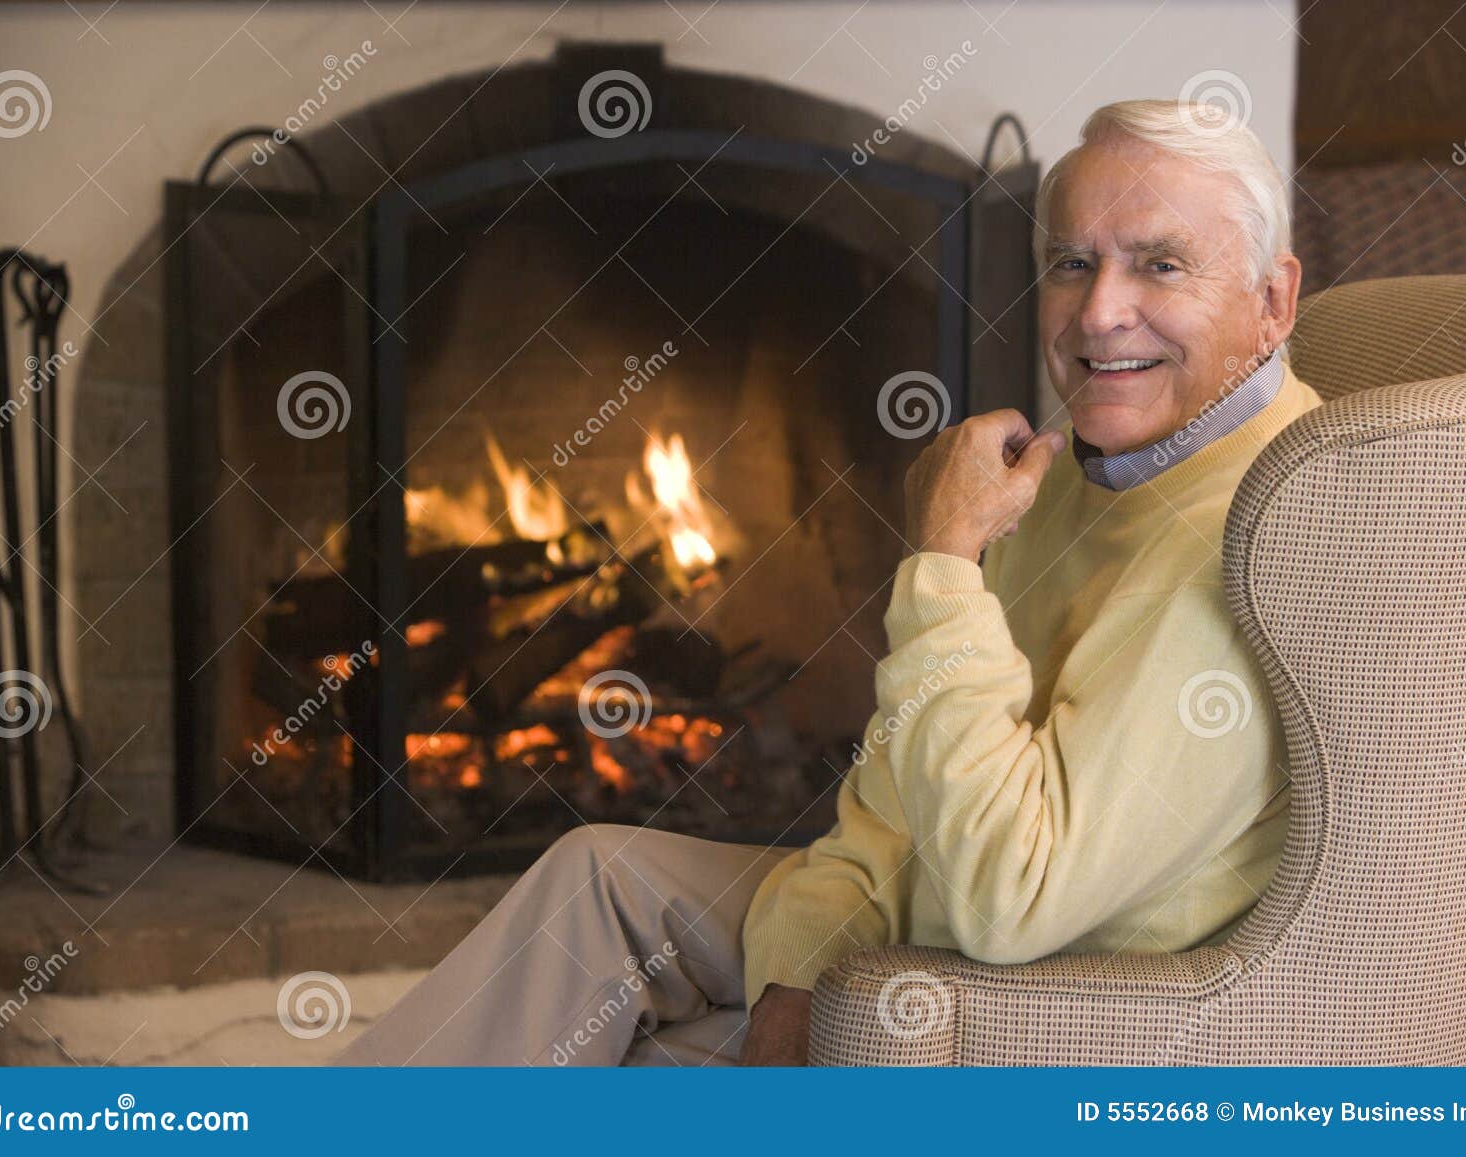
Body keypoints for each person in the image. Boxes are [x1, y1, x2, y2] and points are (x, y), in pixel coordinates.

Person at [335, 97, 1320, 1067]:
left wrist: (941, 561)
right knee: (595, 881)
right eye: (1072, 262)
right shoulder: (1075, 473)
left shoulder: (1264, 532)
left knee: (627, 1054)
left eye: (1159, 264)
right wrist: (802, 963)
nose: (1100, 311)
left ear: (1271, 301)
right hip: (912, 917)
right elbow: (900, 784)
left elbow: (1011, 896)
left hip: (1036, 997)